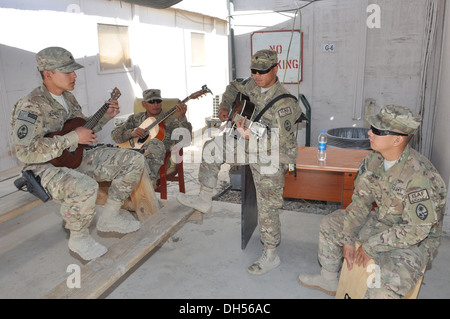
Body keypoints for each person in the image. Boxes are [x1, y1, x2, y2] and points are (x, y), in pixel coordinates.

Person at [10, 47, 146, 261]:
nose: (75, 76)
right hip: (43, 166)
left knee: (134, 159)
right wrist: (73, 138)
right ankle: (79, 238)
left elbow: (81, 128)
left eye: (74, 71)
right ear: (48, 74)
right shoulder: (30, 106)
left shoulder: (69, 98)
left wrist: (105, 117)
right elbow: (26, 152)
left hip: (73, 156)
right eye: (68, 71)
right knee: (85, 186)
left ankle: (110, 216)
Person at [298, 105, 447, 298]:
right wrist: (348, 238)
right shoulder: (373, 161)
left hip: (416, 240)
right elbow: (361, 203)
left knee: (389, 281)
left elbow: (416, 230)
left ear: (397, 139)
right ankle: (328, 278)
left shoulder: (420, 177)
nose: (369, 132)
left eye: (377, 130)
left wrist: (371, 246)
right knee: (332, 224)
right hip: (384, 223)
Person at [177, 49, 302, 275]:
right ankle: (204, 198)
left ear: (276, 68)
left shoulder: (286, 103)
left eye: (263, 71)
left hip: (272, 153)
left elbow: (278, 141)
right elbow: (233, 87)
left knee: (267, 205)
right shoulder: (251, 84)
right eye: (253, 71)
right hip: (249, 140)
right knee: (212, 147)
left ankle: (271, 253)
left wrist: (249, 133)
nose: (257, 76)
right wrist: (225, 105)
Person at [111, 89, 192, 182]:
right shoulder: (136, 118)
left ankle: (145, 181)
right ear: (144, 104)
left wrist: (182, 118)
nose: (155, 104)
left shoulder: (171, 121)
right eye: (151, 102)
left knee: (155, 143)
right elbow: (114, 135)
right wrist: (131, 133)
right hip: (133, 155)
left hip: (156, 161)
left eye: (158, 101)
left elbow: (185, 141)